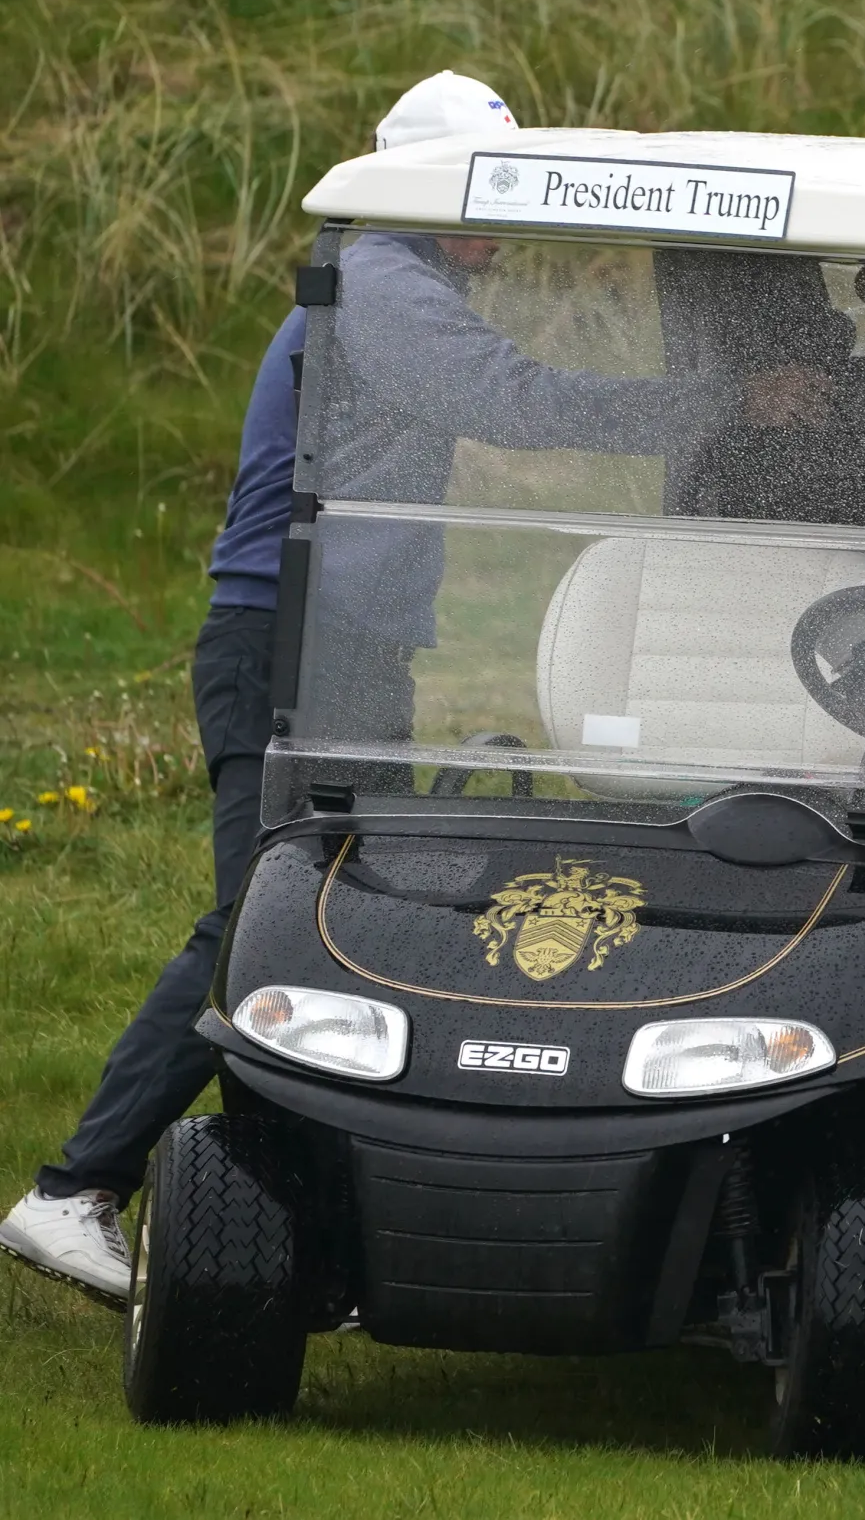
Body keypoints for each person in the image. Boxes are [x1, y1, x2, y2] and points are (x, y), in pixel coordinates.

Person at [0, 72, 529, 1300]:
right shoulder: (385, 285)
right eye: (476, 194)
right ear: (413, 194)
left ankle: (312, 1228)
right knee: (261, 920)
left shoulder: (398, 284)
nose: (494, 224)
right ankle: (74, 1187)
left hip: (348, 651)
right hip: (285, 647)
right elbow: (518, 397)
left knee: (343, 928)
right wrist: (712, 409)